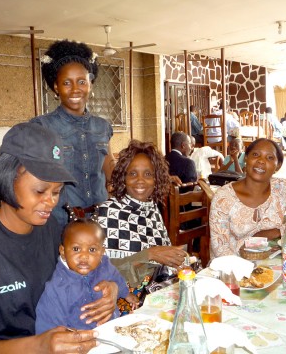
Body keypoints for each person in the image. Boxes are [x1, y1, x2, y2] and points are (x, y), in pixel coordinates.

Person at [0, 123, 119, 353]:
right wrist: (38, 346)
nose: (51, 202)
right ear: (7, 179)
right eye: (40, 191)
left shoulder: (51, 228)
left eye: (56, 192)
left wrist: (112, 288)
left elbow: (84, 267)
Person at [30, 39, 116, 235]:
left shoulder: (102, 127)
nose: (75, 89)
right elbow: (25, 175)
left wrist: (144, 176)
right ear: (56, 87)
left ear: (91, 85)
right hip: (60, 223)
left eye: (82, 81)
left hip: (99, 221)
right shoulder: (42, 126)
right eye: (66, 83)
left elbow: (110, 168)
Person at [98, 140, 188, 306]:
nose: (140, 180)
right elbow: (100, 272)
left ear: (156, 180)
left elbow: (162, 260)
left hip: (155, 294)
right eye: (132, 174)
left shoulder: (152, 209)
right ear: (123, 178)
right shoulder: (109, 213)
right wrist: (149, 255)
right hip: (122, 302)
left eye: (148, 174)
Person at [209, 138, 286, 258]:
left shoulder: (284, 189)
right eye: (256, 154)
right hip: (232, 268)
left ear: (277, 166)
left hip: (273, 262)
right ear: (246, 158)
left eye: (270, 158)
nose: (261, 161)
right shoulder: (223, 198)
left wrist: (274, 232)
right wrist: (248, 244)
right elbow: (220, 249)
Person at [35, 218, 138, 333]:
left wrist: (126, 294)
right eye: (76, 249)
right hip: (83, 339)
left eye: (92, 249)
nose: (84, 256)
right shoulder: (57, 288)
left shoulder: (104, 265)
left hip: (113, 326)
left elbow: (116, 277)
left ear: (102, 251)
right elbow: (48, 325)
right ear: (63, 251)